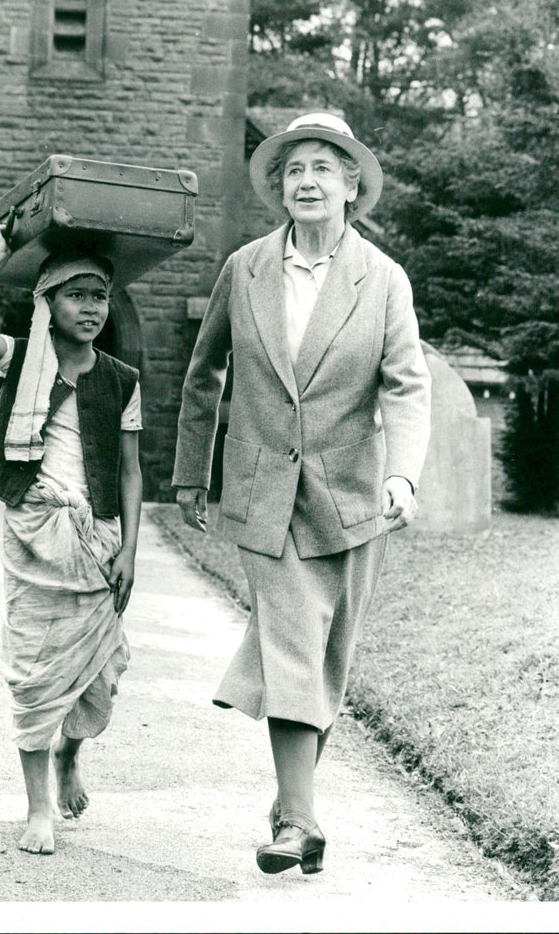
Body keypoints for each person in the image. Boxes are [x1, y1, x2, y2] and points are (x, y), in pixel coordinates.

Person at [172, 112, 431, 875]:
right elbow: (203, 375)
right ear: (279, 187)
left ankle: (293, 804)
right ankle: (302, 819)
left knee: (328, 663)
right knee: (290, 646)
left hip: (352, 498)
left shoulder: (383, 280)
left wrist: (402, 474)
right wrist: (193, 471)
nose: (307, 180)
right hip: (264, 492)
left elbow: (407, 385)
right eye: (294, 169)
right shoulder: (245, 267)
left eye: (324, 167)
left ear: (352, 185)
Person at [0, 227, 142, 855]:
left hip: (100, 539)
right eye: (77, 295)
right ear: (48, 302)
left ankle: (70, 754)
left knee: (98, 676)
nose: (91, 308)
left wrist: (131, 553)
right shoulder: (21, 357)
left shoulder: (122, 379)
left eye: (101, 297)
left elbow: (132, 472)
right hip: (35, 532)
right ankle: (38, 810)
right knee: (35, 674)